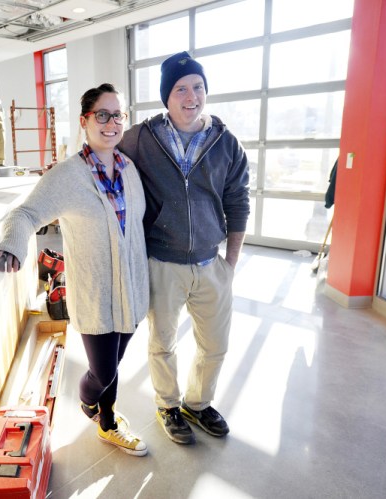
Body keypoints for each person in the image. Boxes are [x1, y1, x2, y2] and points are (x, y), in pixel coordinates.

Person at [0, 84, 149, 456]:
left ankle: (105, 415)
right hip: (96, 294)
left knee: (115, 363)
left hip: (131, 291)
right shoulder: (67, 175)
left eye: (118, 115)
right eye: (102, 114)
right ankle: (98, 415)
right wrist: (13, 244)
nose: (111, 123)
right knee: (103, 372)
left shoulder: (129, 169)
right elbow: (25, 213)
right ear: (84, 121)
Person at [119, 51, 251, 445]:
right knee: (162, 343)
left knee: (215, 345)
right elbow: (102, 157)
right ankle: (168, 405)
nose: (191, 96)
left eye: (198, 87)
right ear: (166, 96)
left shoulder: (226, 143)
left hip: (212, 264)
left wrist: (230, 262)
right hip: (163, 261)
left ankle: (197, 403)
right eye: (181, 89)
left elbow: (238, 202)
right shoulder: (140, 139)